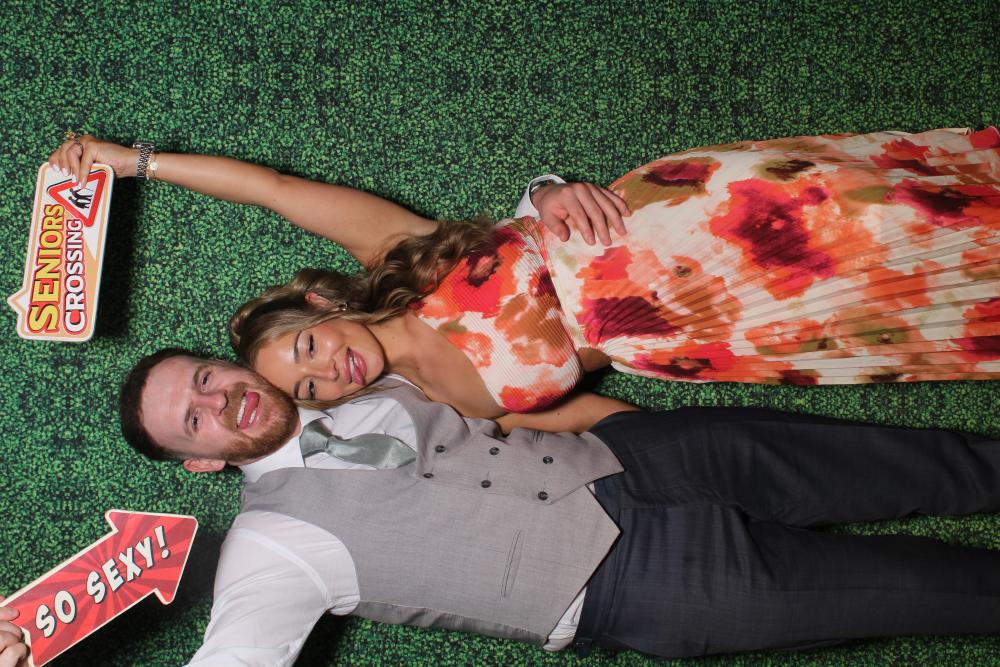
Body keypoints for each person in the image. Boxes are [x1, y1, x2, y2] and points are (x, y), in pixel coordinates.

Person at [4, 349, 992, 664]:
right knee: (936, 592)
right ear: (199, 464)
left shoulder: (346, 360)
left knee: (929, 462)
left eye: (207, 379)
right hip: (645, 587)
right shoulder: (270, 547)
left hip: (649, 452)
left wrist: (545, 196)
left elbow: (468, 283)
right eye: (195, 420)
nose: (220, 402)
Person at [50, 130, 1000, 422]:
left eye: (307, 347)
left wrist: (133, 164)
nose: (326, 370)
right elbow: (619, 429)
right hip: (716, 334)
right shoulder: (458, 410)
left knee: (911, 215)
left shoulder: (398, 254)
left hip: (695, 220)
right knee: (929, 311)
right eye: (308, 388)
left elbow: (274, 189)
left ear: (320, 306)